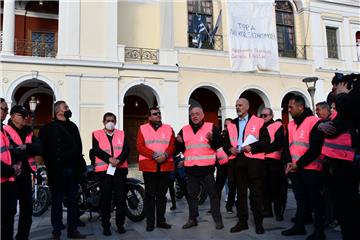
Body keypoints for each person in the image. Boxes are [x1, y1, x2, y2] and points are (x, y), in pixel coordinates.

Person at [319, 73, 360, 240]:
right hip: (339, 163)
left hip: (346, 162)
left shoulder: (349, 103)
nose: (333, 91)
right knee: (343, 205)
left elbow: (334, 128)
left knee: (346, 205)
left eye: (336, 88)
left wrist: (343, 96)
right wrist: (322, 126)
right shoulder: (343, 106)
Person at [39, 101, 86, 239]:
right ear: (58, 111)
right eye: (66, 107)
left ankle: (72, 230)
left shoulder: (72, 126)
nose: (68, 109)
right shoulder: (47, 128)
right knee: (57, 202)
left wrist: (79, 168)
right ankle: (57, 231)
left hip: (72, 170)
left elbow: (79, 147)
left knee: (73, 201)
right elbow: (43, 150)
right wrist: (49, 166)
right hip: (56, 172)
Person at [281, 95, 325, 240]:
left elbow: (315, 149)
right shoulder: (291, 124)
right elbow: (288, 146)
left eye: (291, 107)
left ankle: (319, 232)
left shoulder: (314, 122)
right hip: (295, 169)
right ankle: (299, 226)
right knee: (300, 199)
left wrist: (298, 164)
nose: (288, 110)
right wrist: (288, 162)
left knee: (315, 201)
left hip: (311, 168)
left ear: (301, 107)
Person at [223, 98, 270, 234]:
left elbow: (266, 141)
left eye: (240, 105)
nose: (238, 107)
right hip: (237, 161)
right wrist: (229, 149)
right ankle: (242, 222)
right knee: (241, 194)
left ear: (247, 107)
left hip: (254, 162)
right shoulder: (232, 124)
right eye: (236, 105)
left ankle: (258, 223)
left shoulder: (259, 121)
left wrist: (251, 147)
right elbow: (225, 142)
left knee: (256, 195)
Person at [176, 105, 224, 230]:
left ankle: (217, 219)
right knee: (192, 195)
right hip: (191, 169)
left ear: (202, 115)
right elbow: (179, 149)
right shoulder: (184, 129)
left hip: (207, 169)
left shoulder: (211, 127)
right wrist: (179, 143)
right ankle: (192, 219)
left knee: (213, 195)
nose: (194, 116)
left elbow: (219, 144)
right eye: (192, 114)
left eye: (197, 114)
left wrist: (212, 139)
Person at [3, 105, 43, 240]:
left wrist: (27, 147)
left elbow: (40, 148)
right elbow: (12, 152)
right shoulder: (5, 131)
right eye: (22, 115)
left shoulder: (29, 131)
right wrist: (26, 151)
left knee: (27, 209)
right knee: (10, 211)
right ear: (13, 116)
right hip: (11, 176)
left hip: (26, 175)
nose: (26, 118)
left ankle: (22, 237)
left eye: (27, 115)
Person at [137, 107, 175, 232]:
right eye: (155, 114)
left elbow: (172, 145)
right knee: (150, 196)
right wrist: (155, 155)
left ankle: (161, 220)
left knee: (162, 196)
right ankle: (150, 223)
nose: (158, 115)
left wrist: (165, 155)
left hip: (165, 165)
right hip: (149, 166)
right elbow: (140, 146)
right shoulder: (143, 128)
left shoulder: (168, 128)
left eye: (159, 113)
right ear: (149, 117)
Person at [91, 112, 129, 236]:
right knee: (105, 199)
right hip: (104, 172)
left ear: (116, 121)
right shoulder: (96, 134)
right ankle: (106, 226)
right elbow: (96, 150)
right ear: (103, 122)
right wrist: (109, 159)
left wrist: (119, 160)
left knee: (121, 199)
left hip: (120, 170)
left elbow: (126, 149)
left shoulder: (122, 134)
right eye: (108, 120)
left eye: (112, 120)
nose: (110, 123)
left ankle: (120, 224)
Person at [261, 108, 285, 221]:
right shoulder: (261, 127)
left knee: (276, 188)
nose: (263, 117)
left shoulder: (277, 125)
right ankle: (267, 210)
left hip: (275, 160)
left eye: (265, 115)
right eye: (261, 115)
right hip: (263, 160)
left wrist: (265, 150)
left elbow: (279, 142)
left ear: (271, 115)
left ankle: (278, 211)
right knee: (265, 187)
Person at [1, 98, 19, 240]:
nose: (6, 113)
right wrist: (12, 170)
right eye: (4, 109)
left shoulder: (3, 130)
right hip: (3, 179)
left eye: (7, 110)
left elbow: (9, 151)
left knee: (9, 216)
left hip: (8, 181)